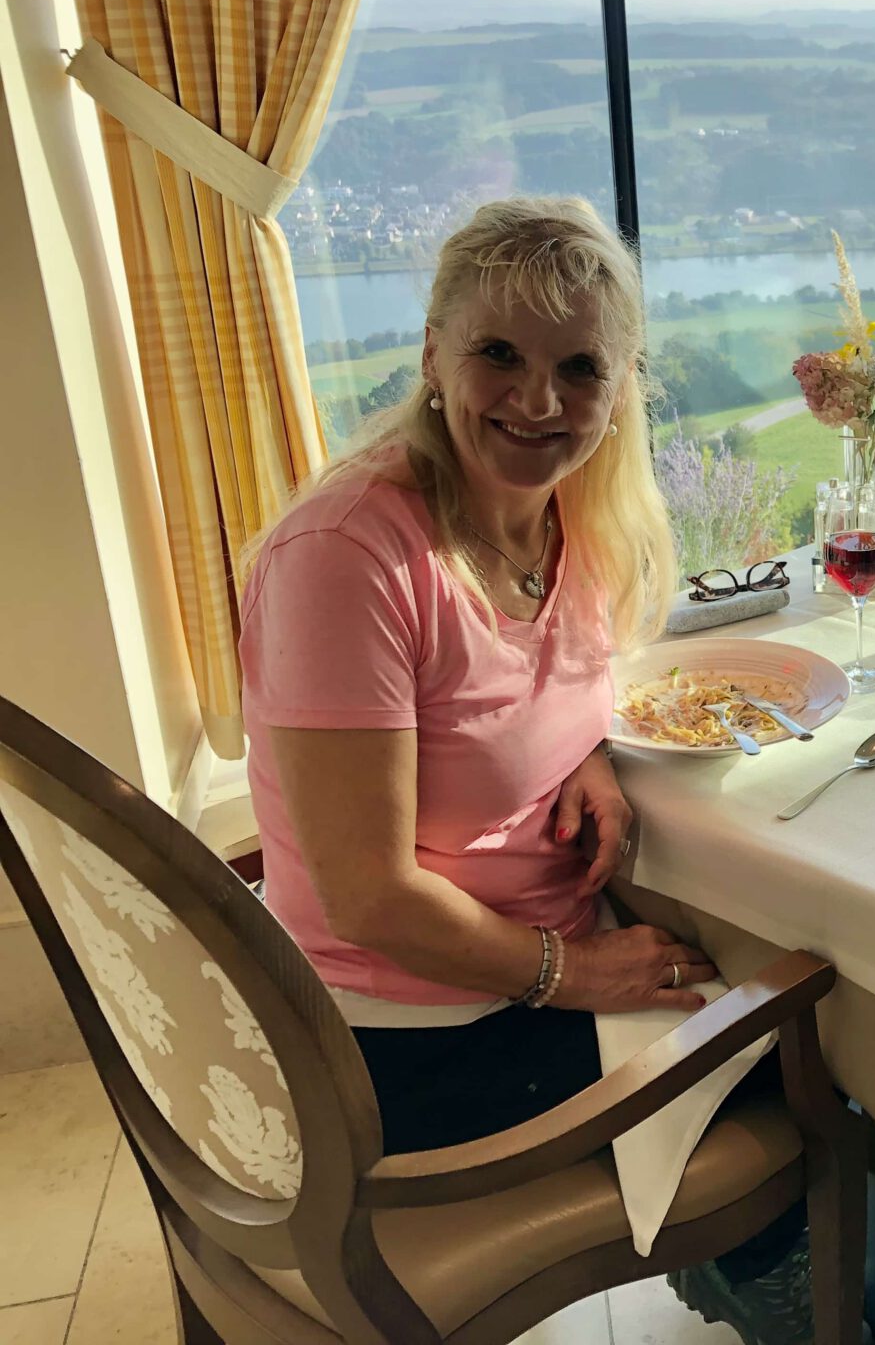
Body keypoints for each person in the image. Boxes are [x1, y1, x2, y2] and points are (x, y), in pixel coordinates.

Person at [238, 197, 812, 1344]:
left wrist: (585, 751)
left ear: (622, 386)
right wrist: (575, 973)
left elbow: (519, 689)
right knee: (805, 1054)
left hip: (515, 957)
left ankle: (763, 1261)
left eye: (579, 368)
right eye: (499, 354)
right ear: (433, 356)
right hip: (400, 1035)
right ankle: (778, 1283)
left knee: (787, 970)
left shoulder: (569, 516)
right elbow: (369, 898)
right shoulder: (348, 557)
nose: (539, 401)